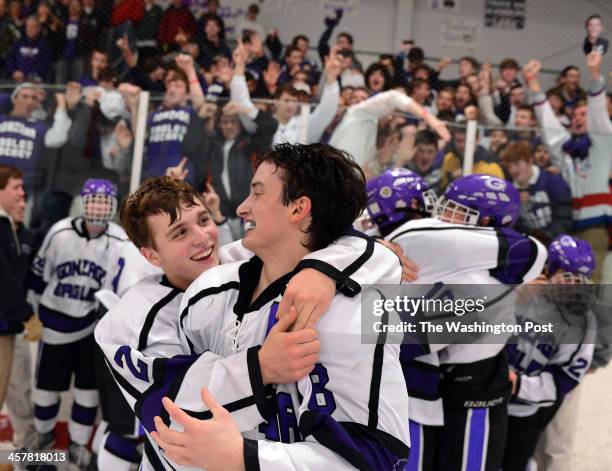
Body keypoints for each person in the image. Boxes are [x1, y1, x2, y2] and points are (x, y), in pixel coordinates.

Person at [95, 169, 403, 469]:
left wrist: (329, 268)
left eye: (203, 220)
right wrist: (261, 367)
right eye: (180, 233)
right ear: (151, 255)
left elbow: (358, 250)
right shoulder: (132, 320)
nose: (202, 237)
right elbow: (169, 412)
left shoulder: (243, 260)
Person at [365, 170, 547, 471]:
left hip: (473, 392)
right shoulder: (449, 255)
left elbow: (405, 341)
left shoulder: (475, 277)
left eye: (457, 211)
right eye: (445, 206)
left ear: (487, 224)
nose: (443, 216)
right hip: (440, 385)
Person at [25, 179, 128, 468]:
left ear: (112, 206)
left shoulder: (121, 241)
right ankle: (43, 439)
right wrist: (30, 315)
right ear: (82, 202)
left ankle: (77, 445)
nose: (97, 207)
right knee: (45, 389)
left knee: (87, 392)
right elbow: (37, 279)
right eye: (92, 200)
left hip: (92, 329)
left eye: (103, 201)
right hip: (55, 323)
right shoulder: (59, 233)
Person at [503, 234, 596, 471]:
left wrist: (520, 385)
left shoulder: (582, 320)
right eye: (566, 278)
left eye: (579, 282)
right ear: (548, 270)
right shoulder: (519, 290)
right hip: (487, 394)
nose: (572, 288)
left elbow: (564, 377)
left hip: (527, 408)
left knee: (541, 450)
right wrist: (516, 292)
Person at [525, 53, 612, 282]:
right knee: (569, 280)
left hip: (596, 226)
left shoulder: (603, 142)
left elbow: (599, 113)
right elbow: (549, 126)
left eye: (584, 114)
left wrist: (594, 74)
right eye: (575, 115)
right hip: (570, 224)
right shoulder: (567, 149)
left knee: (589, 281)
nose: (578, 118)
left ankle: (594, 319)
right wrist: (534, 84)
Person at [0, 165, 41, 411]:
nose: (21, 194)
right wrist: (27, 315)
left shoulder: (13, 229)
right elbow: (3, 279)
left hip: (7, 325)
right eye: (15, 187)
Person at [330, 88, 450, 168]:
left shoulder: (372, 134)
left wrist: (398, 160)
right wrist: (430, 119)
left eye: (363, 98)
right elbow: (394, 97)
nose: (391, 115)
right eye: (355, 97)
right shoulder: (357, 113)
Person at [0, 83, 71, 191]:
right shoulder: (2, 120)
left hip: (23, 186)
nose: (29, 101)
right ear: (14, 99)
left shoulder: (39, 126)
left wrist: (61, 106)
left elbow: (59, 138)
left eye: (33, 98)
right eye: (24, 96)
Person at [501, 140, 572, 240]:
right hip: (529, 247)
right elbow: (511, 226)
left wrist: (548, 237)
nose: (513, 170)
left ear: (530, 161)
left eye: (517, 164)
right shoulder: (509, 191)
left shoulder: (552, 181)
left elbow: (564, 216)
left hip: (557, 243)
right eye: (509, 166)